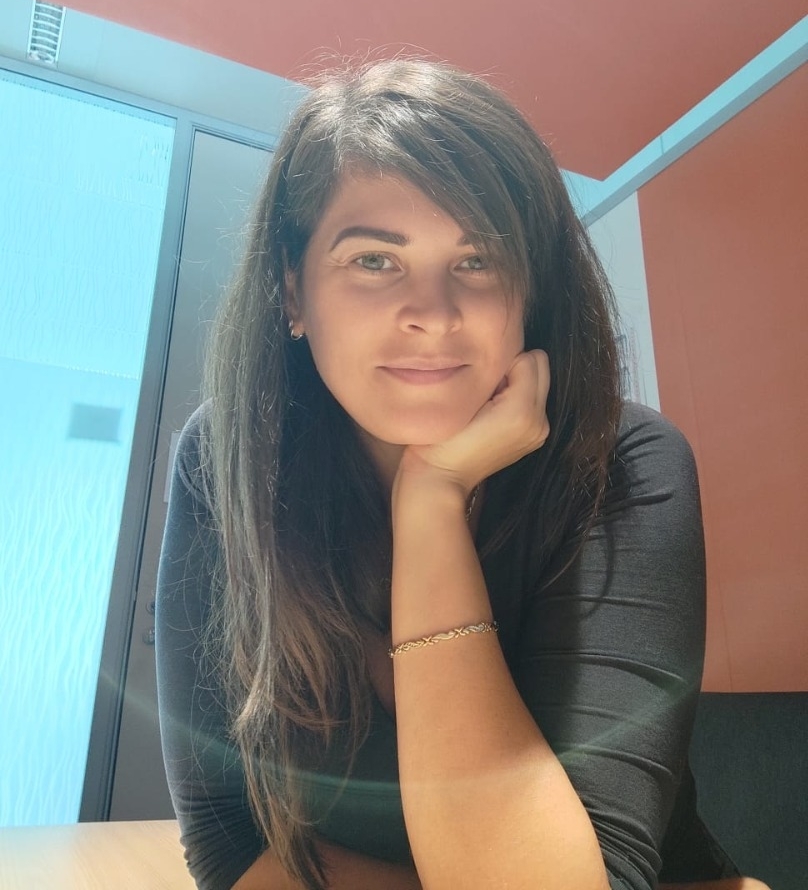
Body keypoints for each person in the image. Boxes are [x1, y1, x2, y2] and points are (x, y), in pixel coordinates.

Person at [156, 59, 754, 890]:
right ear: (292, 292)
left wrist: (432, 502)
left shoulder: (624, 464)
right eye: (374, 260)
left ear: (529, 296)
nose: (434, 315)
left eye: (478, 261)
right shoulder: (229, 459)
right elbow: (230, 840)